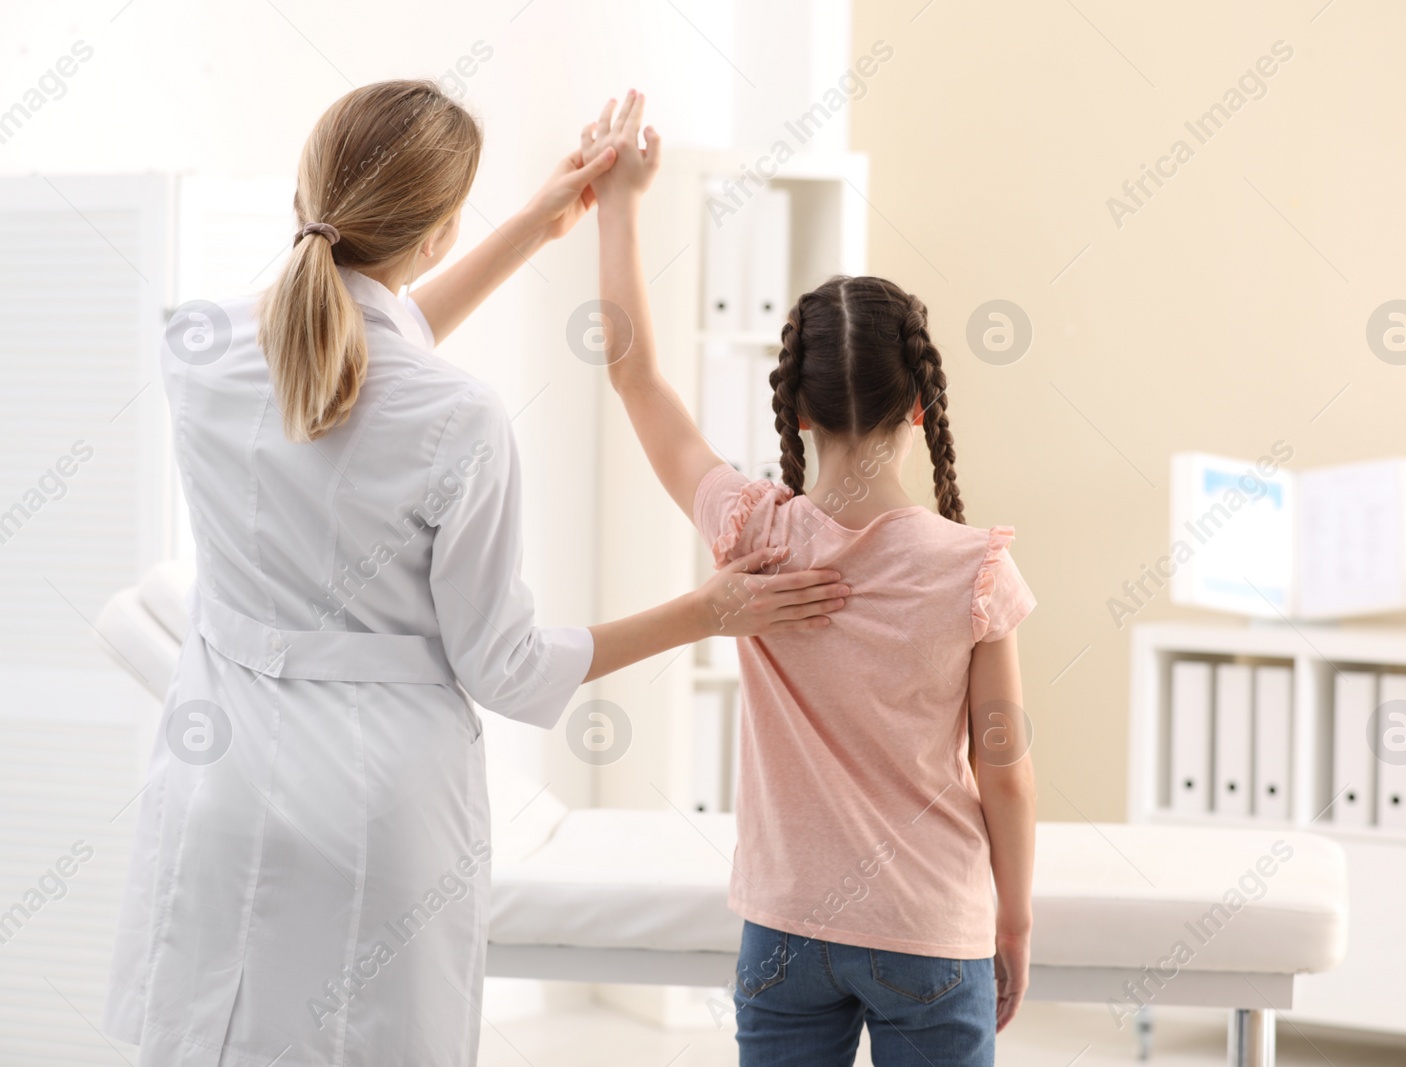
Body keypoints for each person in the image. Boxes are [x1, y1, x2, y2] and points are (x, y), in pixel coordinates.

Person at [102, 79, 850, 1067]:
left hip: (218, 785)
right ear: (442, 234)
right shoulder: (460, 417)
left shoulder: (195, 349)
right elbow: (502, 663)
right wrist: (708, 608)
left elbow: (350, 343)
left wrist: (540, 222)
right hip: (373, 810)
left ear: (307, 192)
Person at [584, 90, 1037, 1067]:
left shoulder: (748, 533)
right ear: (919, 404)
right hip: (928, 926)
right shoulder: (976, 571)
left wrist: (617, 204)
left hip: (784, 931)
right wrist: (1014, 920)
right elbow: (1003, 767)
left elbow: (634, 374)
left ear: (792, 408)